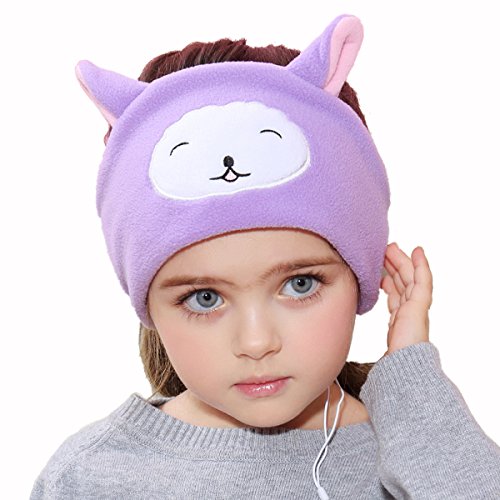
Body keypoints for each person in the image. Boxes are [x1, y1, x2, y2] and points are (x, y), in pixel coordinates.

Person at [30, 13, 500, 499]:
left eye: (300, 284)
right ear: (148, 303)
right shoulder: (92, 478)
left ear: (363, 276)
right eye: (205, 297)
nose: (256, 343)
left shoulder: (421, 447)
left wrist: (412, 384)